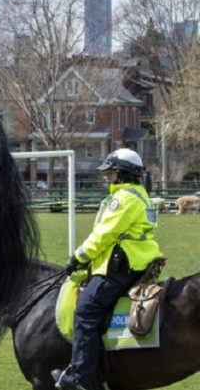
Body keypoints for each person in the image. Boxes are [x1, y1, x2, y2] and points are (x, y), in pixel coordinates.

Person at [53, 148, 163, 390]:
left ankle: (83, 379)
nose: (107, 178)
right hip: (140, 263)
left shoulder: (123, 199)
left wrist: (78, 257)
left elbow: (104, 235)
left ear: (122, 174)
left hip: (120, 267)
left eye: (111, 173)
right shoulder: (141, 195)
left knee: (85, 313)